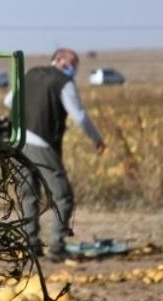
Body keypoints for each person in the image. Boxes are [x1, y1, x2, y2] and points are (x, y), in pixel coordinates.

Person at [7, 48, 106, 261]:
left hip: (16, 141)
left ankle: (30, 245)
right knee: (63, 196)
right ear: (59, 59)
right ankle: (56, 246)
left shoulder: (30, 74)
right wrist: (97, 138)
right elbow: (79, 116)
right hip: (40, 143)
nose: (75, 68)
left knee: (29, 195)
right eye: (73, 62)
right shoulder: (63, 82)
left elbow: (9, 101)